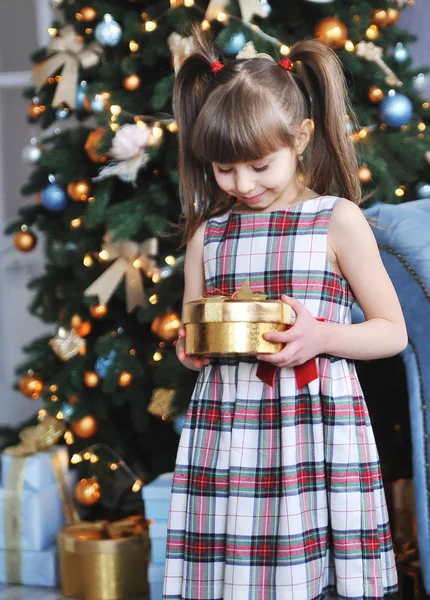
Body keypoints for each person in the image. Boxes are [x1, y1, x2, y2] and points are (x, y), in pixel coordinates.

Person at [163, 25, 407, 600]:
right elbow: (194, 331)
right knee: (238, 571)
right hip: (229, 430)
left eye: (258, 166)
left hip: (313, 424)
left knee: (309, 568)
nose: (242, 184)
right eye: (224, 170)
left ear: (300, 137)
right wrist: (191, 346)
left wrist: (320, 335)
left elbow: (390, 333)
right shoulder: (209, 234)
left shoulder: (336, 219)